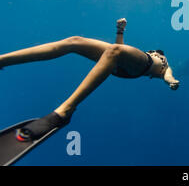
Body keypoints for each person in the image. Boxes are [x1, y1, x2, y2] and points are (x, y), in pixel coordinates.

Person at [0, 18, 179, 141]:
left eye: (158, 53)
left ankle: (65, 110)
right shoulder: (145, 54)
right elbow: (119, 47)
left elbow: (167, 74)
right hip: (120, 64)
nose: (156, 52)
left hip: (140, 68)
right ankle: (2, 60)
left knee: (115, 51)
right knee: (74, 41)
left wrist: (171, 81)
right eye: (155, 51)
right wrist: (120, 30)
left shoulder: (163, 63)